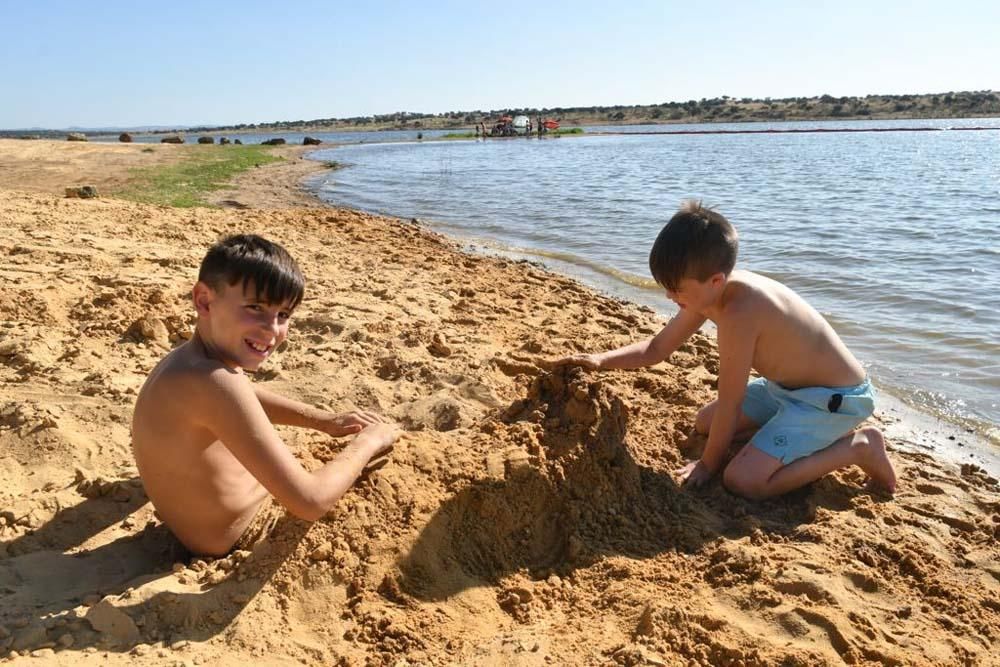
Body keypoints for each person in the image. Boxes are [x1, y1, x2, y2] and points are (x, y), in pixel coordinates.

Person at [554, 201, 896, 499]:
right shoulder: (707, 292)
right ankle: (780, 439)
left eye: (675, 290)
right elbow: (657, 348)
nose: (670, 298)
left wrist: (707, 465)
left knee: (742, 480)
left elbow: (731, 402)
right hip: (785, 391)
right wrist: (599, 360)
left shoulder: (740, 312)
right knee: (706, 423)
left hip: (833, 400)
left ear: (715, 280)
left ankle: (860, 448)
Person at [132, 234, 400, 556]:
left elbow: (242, 394)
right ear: (204, 300)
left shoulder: (187, 362)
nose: (272, 330)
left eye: (283, 315)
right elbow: (310, 502)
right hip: (243, 534)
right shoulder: (216, 383)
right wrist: (368, 441)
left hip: (201, 528)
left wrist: (323, 421)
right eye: (255, 307)